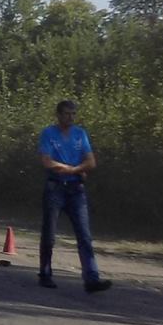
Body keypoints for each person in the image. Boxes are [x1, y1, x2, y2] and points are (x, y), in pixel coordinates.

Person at [37, 99, 111, 292]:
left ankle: (92, 278)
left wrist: (74, 169)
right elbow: (47, 161)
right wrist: (71, 169)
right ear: (58, 115)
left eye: (73, 114)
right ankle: (45, 273)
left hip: (76, 189)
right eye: (67, 114)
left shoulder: (80, 134)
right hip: (55, 188)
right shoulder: (48, 134)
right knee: (49, 235)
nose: (70, 117)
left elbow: (91, 161)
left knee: (84, 236)